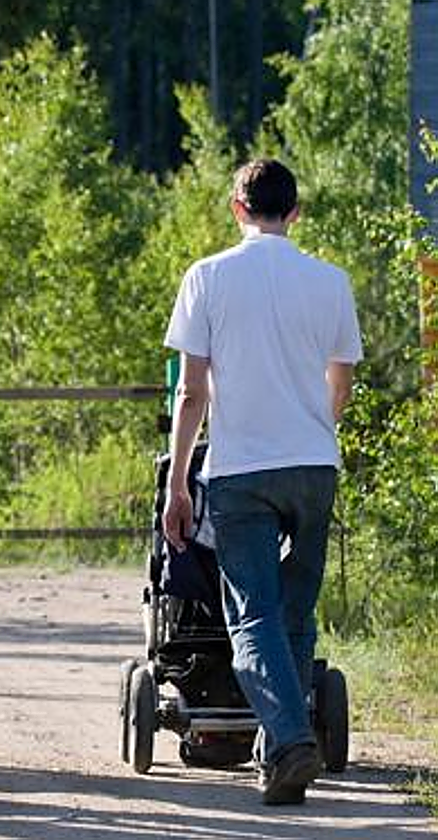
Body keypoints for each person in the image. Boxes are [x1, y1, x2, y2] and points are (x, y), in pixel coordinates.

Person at [161, 160, 362, 805]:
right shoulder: (330, 282)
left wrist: (178, 484)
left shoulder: (208, 277)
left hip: (241, 468)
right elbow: (342, 381)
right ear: (295, 212)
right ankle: (284, 752)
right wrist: (313, 429)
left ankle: (289, 739)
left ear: (236, 207)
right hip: (313, 464)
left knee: (251, 617)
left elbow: (192, 392)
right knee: (295, 613)